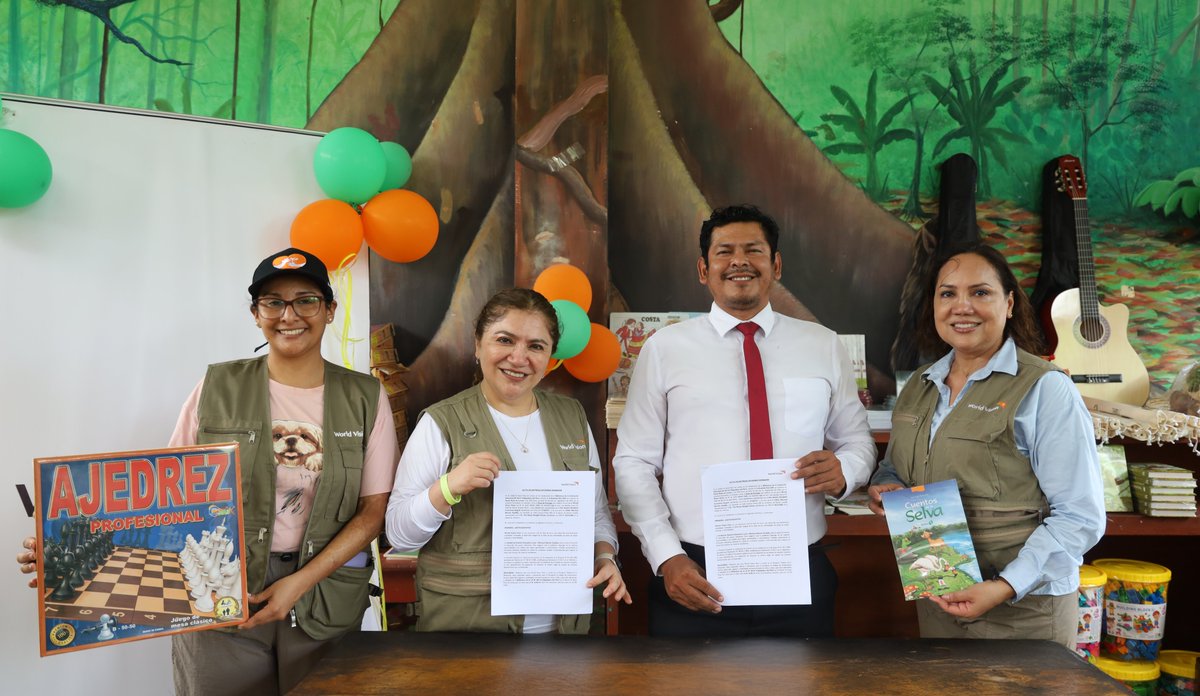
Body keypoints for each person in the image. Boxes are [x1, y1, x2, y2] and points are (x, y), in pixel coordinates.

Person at [18, 247, 398, 695]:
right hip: (217, 592)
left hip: (325, 597)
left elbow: (372, 512)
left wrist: (298, 583)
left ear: (330, 310)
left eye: (306, 300)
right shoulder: (216, 388)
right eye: (272, 302)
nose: (288, 314)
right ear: (256, 314)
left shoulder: (365, 396)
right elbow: (162, 499)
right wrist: (67, 544)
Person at [613, 204, 875, 637]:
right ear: (703, 269)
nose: (739, 261)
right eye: (724, 251)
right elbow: (634, 462)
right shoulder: (664, 349)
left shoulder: (823, 345)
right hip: (694, 571)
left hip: (799, 569)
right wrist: (666, 558)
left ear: (776, 265)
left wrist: (845, 470)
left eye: (753, 250)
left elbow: (857, 442)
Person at [867, 243, 1105, 649]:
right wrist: (884, 485)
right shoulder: (920, 385)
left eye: (980, 292)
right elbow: (897, 467)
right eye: (948, 293)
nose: (962, 306)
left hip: (1023, 609)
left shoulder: (1045, 388)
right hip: (941, 594)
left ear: (1009, 304)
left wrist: (1005, 586)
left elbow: (1080, 517)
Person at [385, 287, 629, 633]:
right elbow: (399, 534)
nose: (518, 358)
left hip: (563, 634)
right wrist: (449, 487)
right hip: (467, 633)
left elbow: (596, 513)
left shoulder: (572, 417)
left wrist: (605, 555)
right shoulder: (440, 422)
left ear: (550, 356)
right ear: (477, 344)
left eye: (535, 346)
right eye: (504, 340)